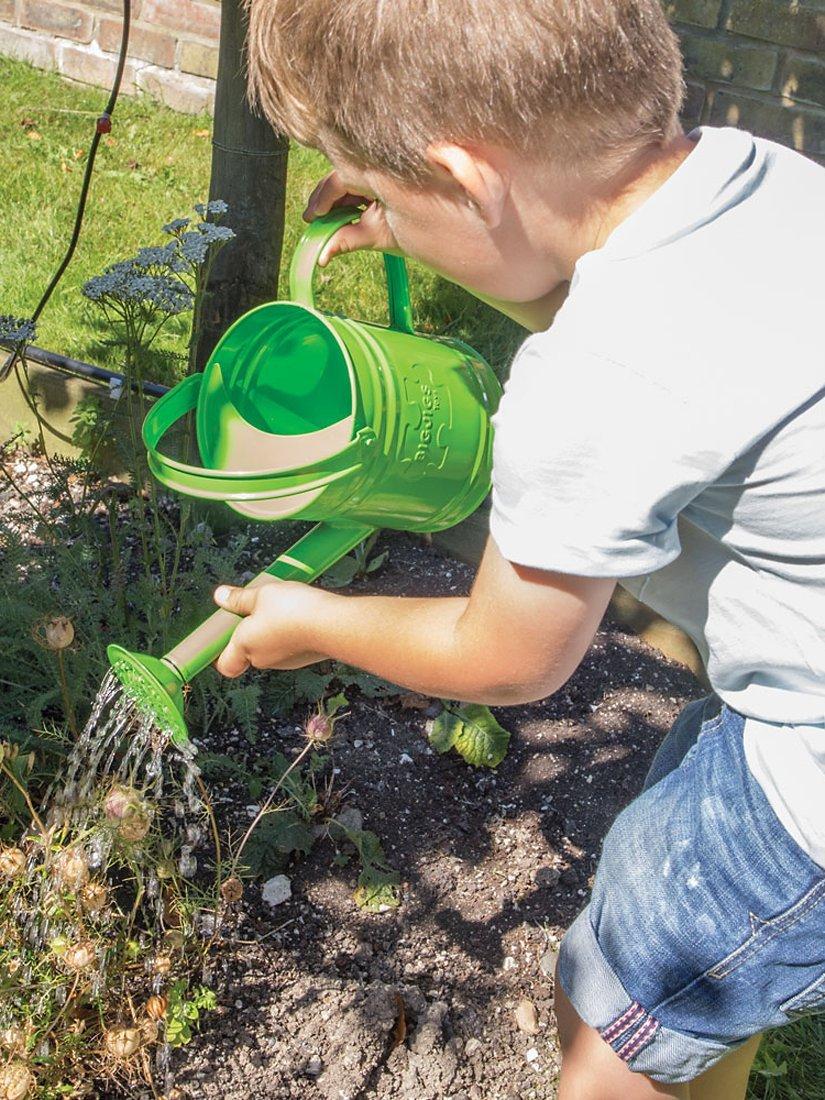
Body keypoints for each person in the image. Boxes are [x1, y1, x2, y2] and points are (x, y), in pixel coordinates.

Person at [211, 2, 825, 1097]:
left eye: (389, 190)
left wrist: (317, 621)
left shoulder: (594, 380)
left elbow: (507, 657)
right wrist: (430, 225)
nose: (381, 212)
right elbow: (623, 330)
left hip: (806, 777)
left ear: (467, 179)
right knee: (694, 979)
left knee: (619, 1003)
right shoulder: (758, 178)